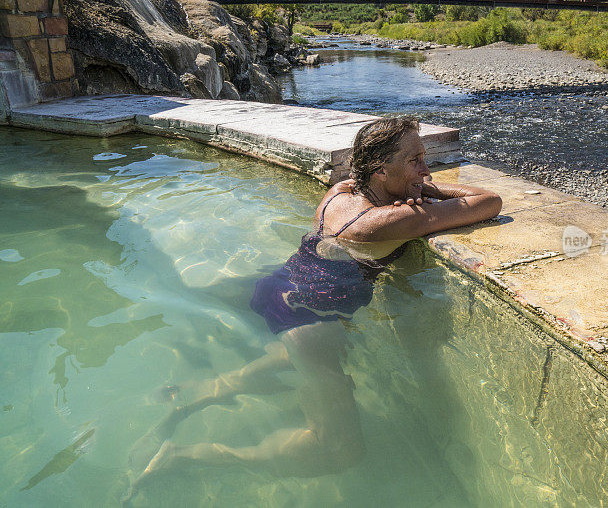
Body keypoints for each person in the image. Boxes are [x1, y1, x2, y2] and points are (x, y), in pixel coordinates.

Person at [125, 117, 501, 497]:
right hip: (311, 321)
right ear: (381, 171)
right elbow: (488, 201)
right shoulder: (385, 221)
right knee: (338, 451)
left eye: (425, 158)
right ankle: (186, 456)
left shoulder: (340, 191)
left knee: (300, 356)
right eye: (415, 160)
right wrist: (429, 191)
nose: (426, 168)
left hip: (279, 288)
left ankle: (202, 391)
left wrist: (413, 183)